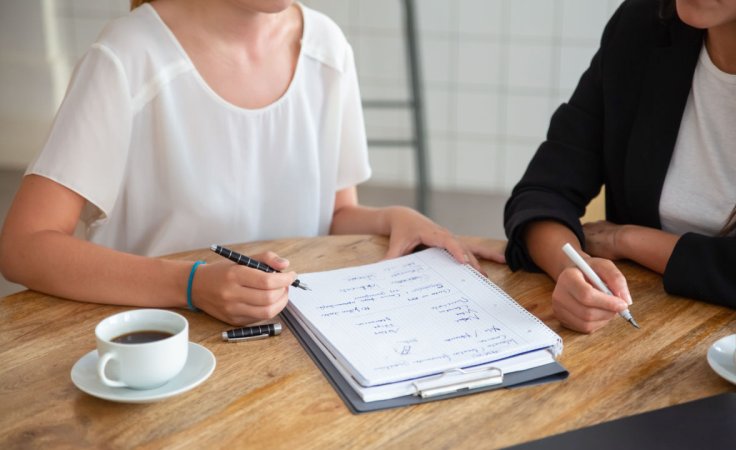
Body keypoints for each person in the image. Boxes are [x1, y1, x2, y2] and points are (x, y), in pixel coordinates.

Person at [0, 0, 504, 326]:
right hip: (157, 348)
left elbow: (329, 216)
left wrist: (395, 218)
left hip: (287, 350)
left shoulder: (327, 48)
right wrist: (192, 284)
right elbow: (24, 247)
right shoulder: (129, 56)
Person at [504, 0, 736, 333]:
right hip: (641, 332)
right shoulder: (644, 24)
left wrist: (627, 239)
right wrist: (573, 270)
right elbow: (543, 191)